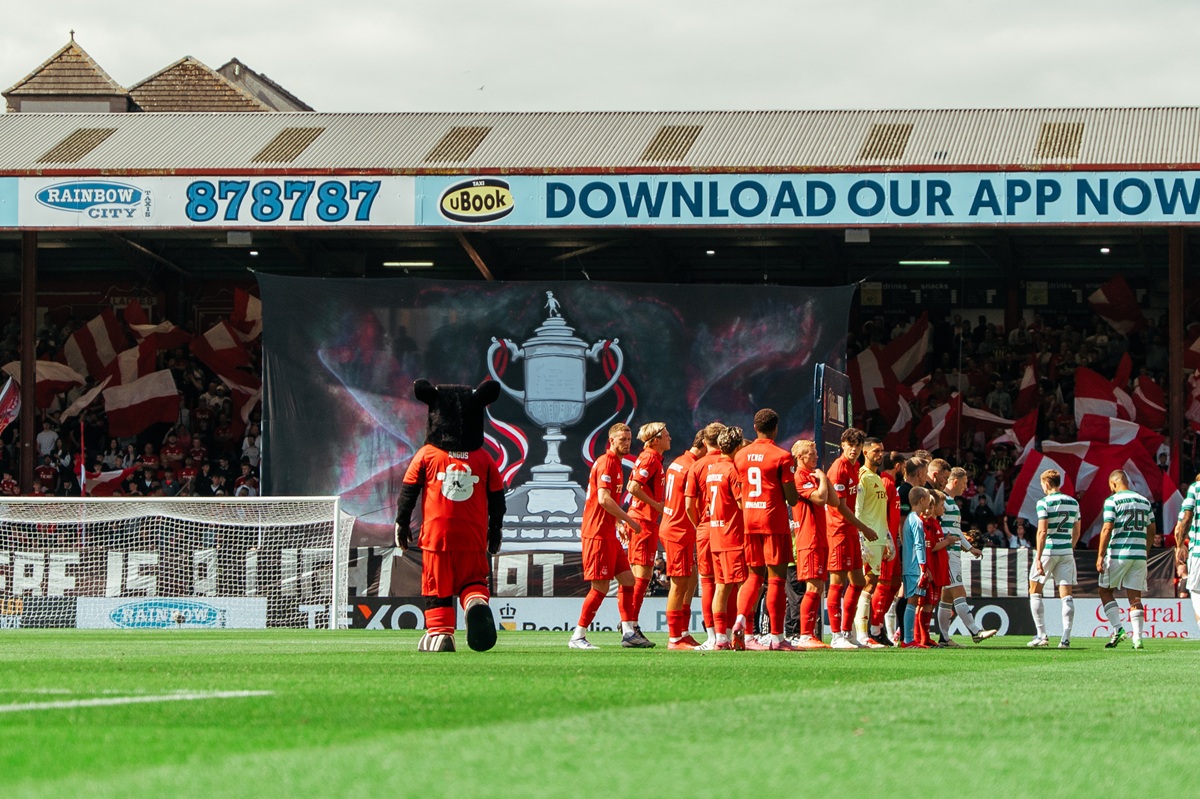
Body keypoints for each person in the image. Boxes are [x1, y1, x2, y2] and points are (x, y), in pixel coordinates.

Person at [394, 379, 506, 653]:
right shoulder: (484, 458)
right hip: (473, 536)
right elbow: (498, 499)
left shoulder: (427, 454)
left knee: (437, 585)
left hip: (437, 537)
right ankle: (476, 602)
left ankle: (442, 634)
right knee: (473, 581)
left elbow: (409, 490)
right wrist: (495, 530)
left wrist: (401, 522)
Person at [569, 423, 647, 650]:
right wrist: (630, 520)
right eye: (622, 440)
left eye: (629, 440)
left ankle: (628, 632)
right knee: (600, 587)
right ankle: (578, 635)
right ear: (611, 441)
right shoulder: (606, 463)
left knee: (628, 580)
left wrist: (618, 522)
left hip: (607, 533)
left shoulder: (615, 464)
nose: (627, 443)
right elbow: (603, 499)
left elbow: (605, 502)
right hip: (596, 534)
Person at [733, 409, 798, 651]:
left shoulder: (741, 456)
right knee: (777, 581)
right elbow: (792, 498)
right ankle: (777, 638)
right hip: (773, 522)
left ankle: (740, 619)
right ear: (776, 428)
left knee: (753, 576)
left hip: (750, 522)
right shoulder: (782, 456)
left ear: (755, 427)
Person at [824, 427, 880, 649]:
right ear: (842, 445)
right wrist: (864, 528)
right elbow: (840, 507)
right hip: (837, 530)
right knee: (837, 582)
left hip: (850, 530)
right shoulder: (838, 469)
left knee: (857, 581)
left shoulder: (854, 466)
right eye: (851, 445)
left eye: (858, 446)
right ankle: (836, 635)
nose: (854, 449)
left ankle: (848, 632)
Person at [1096, 470, 1155, 650]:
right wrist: (1146, 549)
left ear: (1113, 484)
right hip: (1138, 555)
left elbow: (1107, 528)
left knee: (1105, 591)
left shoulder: (1112, 501)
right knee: (1135, 597)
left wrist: (1100, 555)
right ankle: (1137, 639)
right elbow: (1152, 529)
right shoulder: (1144, 501)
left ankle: (1118, 629)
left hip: (1118, 554)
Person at [701, 425, 746, 650]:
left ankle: (720, 638)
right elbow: (741, 504)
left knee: (721, 586)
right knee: (743, 584)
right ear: (738, 447)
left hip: (716, 534)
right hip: (733, 535)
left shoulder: (712, 469)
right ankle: (742, 630)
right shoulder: (732, 470)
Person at [659, 430, 705, 650]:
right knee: (678, 584)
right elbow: (691, 504)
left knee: (690, 579)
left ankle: (683, 632)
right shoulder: (690, 466)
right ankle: (674, 637)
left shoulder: (679, 461)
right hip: (678, 530)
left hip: (677, 528)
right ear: (704, 445)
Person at [940, 467, 997, 645]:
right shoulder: (943, 501)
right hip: (948, 552)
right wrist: (966, 546)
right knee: (959, 591)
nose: (966, 487)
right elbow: (942, 528)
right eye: (964, 483)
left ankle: (943, 638)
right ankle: (975, 631)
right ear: (955, 482)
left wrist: (968, 547)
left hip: (953, 551)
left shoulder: (950, 502)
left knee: (947, 597)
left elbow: (954, 529)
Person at [1027, 469, 1082, 648]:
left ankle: (1042, 635)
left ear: (1047, 484)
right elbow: (1077, 530)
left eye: (1042, 483)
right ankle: (1065, 638)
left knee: (1035, 589)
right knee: (1066, 595)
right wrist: (1070, 546)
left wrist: (1038, 557)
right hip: (1066, 551)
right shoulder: (1073, 502)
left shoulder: (1044, 503)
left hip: (1048, 551)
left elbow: (1042, 531)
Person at [624, 422, 670, 635]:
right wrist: (657, 505)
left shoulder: (651, 458)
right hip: (642, 522)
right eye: (666, 434)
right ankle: (630, 625)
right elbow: (633, 488)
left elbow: (630, 486)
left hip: (644, 521)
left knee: (641, 576)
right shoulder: (651, 458)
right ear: (656, 439)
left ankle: (630, 623)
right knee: (641, 577)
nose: (670, 437)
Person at [685, 422, 727, 650]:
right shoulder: (730, 463)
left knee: (708, 581)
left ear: (704, 441)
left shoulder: (697, 466)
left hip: (705, 528)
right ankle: (727, 633)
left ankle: (711, 635)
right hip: (727, 528)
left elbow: (688, 504)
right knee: (728, 581)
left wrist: (699, 523)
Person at [791, 439, 832, 649]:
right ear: (800, 457)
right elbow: (820, 498)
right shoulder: (800, 476)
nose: (816, 457)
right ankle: (805, 634)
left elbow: (833, 499)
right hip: (809, 538)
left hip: (819, 537)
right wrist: (823, 479)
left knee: (818, 587)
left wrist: (824, 479)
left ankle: (810, 633)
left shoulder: (813, 475)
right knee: (813, 586)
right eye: (811, 454)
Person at [854, 438, 893, 648]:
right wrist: (860, 537)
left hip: (878, 539)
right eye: (876, 451)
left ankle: (860, 632)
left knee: (871, 583)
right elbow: (857, 510)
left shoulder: (877, 478)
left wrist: (887, 538)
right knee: (865, 584)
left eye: (882, 451)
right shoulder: (863, 477)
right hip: (867, 540)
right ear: (866, 453)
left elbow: (880, 514)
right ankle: (860, 634)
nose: (881, 454)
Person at [901, 487, 933, 647]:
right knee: (912, 602)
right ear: (922, 500)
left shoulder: (910, 518)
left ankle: (907, 637)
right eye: (928, 498)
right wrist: (923, 568)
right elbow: (919, 545)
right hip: (914, 567)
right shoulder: (917, 520)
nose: (929, 501)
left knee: (912, 602)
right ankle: (907, 639)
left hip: (909, 565)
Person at [1173, 473, 1200, 628]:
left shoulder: (1195, 488)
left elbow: (1185, 519)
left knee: (1196, 590)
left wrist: (1180, 544)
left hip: (1198, 551)